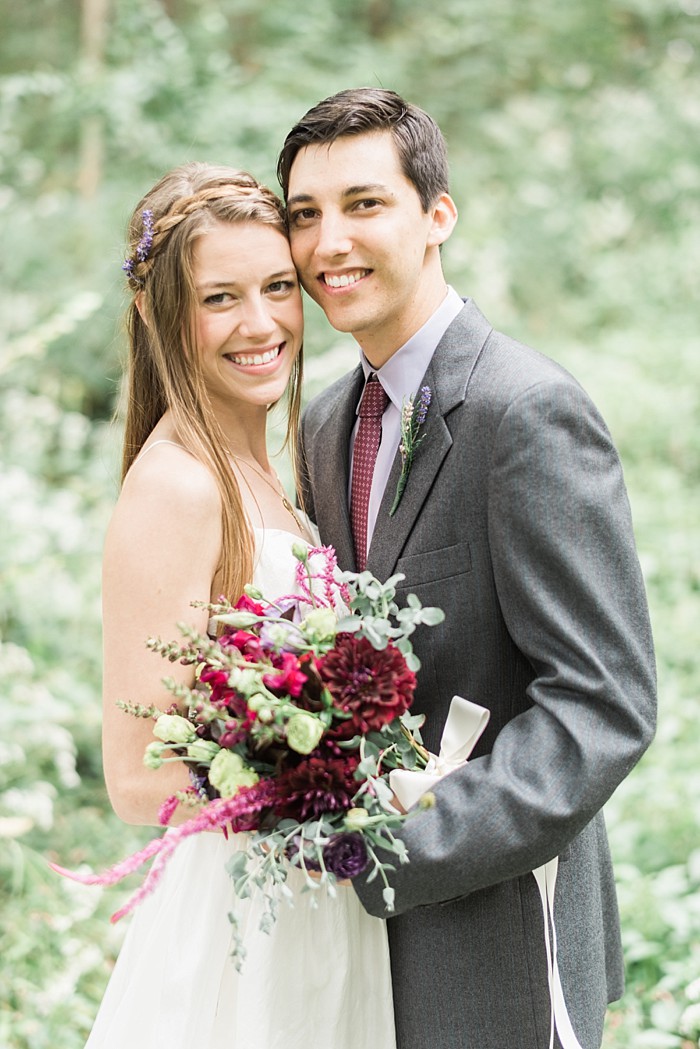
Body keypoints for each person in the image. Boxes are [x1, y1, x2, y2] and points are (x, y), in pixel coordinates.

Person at [277, 88, 657, 1049]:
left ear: (437, 214)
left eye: (364, 204)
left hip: (500, 935)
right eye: (305, 214)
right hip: (358, 954)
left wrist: (393, 847)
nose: (330, 243)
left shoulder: (525, 413)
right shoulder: (325, 423)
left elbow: (602, 702)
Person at [88, 162, 396, 1049]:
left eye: (276, 288)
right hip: (241, 929)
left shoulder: (267, 471)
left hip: (313, 900)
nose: (260, 324)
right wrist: (332, 778)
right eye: (220, 297)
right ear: (154, 312)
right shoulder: (178, 490)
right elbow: (137, 778)